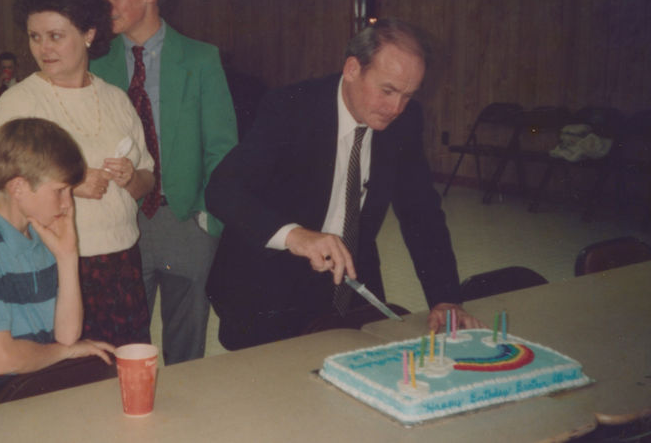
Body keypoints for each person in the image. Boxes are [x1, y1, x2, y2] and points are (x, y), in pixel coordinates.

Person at [205, 19, 483, 351]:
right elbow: (222, 189)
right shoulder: (291, 107)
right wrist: (296, 235)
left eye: (408, 95)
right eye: (388, 90)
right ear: (352, 69)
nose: (396, 108)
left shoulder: (405, 121)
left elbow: (421, 213)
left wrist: (445, 298)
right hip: (266, 279)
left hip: (349, 276)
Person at [0, 0, 154, 347]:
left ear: (88, 34)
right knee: (70, 383)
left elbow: (147, 182)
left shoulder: (116, 99)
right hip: (51, 264)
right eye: (35, 37)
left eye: (56, 36)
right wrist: (67, 185)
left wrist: (130, 177)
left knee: (122, 371)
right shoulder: (17, 103)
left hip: (121, 264)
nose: (43, 48)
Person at [89, 0, 238, 365]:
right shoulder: (96, 65)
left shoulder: (200, 59)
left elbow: (223, 149)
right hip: (119, 221)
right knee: (121, 342)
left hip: (183, 218)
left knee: (186, 344)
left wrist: (207, 220)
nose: (104, 5)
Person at [0, 118, 115, 415]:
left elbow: (67, 334)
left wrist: (67, 256)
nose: (66, 204)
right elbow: (4, 359)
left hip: (30, 385)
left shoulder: (41, 241)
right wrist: (65, 352)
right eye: (60, 191)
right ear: (19, 187)